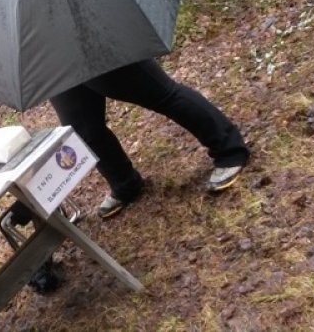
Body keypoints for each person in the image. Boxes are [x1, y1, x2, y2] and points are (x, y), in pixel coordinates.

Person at [49, 59, 250, 218]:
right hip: (50, 58)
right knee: (84, 129)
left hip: (85, 39)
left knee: (160, 93)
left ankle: (229, 149)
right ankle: (125, 184)